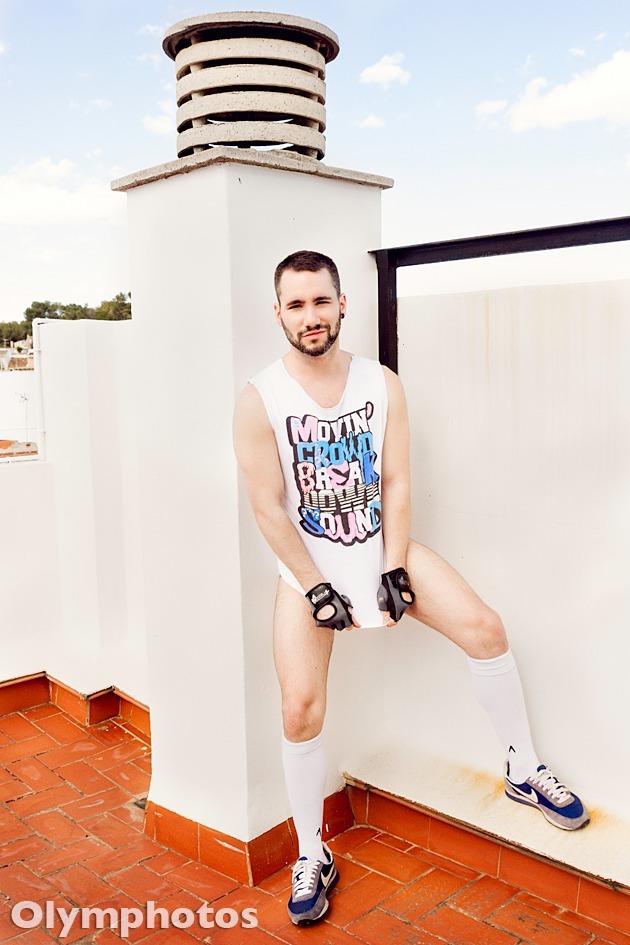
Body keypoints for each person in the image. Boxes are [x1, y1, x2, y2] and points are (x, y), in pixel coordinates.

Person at [232, 250, 589, 927]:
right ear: (278, 312)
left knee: (486, 629)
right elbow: (268, 508)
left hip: (379, 550)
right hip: (306, 571)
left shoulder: (381, 383)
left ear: (342, 304)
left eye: (321, 300)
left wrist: (394, 567)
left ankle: (522, 768)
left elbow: (395, 481)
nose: (311, 315)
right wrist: (314, 587)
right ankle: (313, 852)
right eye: (297, 304)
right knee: (299, 710)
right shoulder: (259, 399)